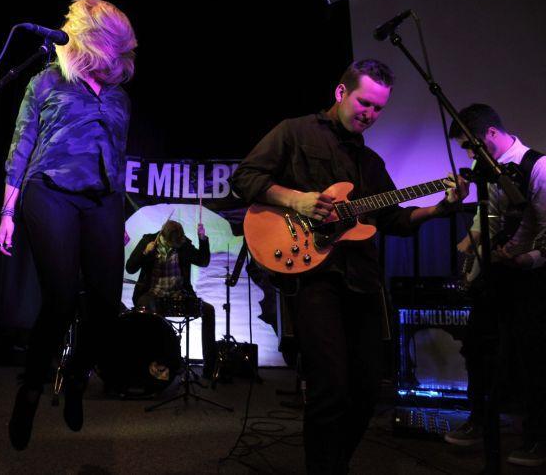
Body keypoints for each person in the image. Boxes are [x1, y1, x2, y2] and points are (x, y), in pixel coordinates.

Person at [230, 59, 467, 474]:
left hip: (362, 280)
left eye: (379, 109)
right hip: (314, 277)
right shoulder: (294, 132)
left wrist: (439, 208)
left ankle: (334, 463)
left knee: (367, 389)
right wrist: (295, 200)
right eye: (365, 103)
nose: (370, 115)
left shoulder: (371, 164)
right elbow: (245, 177)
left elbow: (394, 219)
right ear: (341, 93)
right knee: (330, 386)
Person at [0, 0, 137, 450]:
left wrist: (120, 214)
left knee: (105, 301)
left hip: (102, 199)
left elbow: (117, 155)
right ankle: (32, 388)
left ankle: (76, 376)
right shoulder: (46, 81)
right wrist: (7, 212)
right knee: (58, 298)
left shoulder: (119, 96)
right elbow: (21, 145)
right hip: (48, 190)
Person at [444, 104, 546, 467]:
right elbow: (486, 214)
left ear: (488, 134)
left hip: (531, 278)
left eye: (471, 147)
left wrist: (527, 258)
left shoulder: (538, 167)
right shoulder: (484, 169)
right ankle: (478, 420)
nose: (470, 156)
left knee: (531, 355)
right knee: (476, 346)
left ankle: (537, 437)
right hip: (497, 273)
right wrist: (472, 244)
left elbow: (545, 229)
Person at [125, 220, 217, 378]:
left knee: (208, 310)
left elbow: (203, 261)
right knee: (151, 312)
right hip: (152, 294)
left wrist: (202, 239)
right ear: (164, 236)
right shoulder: (149, 241)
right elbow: (130, 268)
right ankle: (156, 363)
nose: (175, 246)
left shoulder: (183, 244)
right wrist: (145, 253)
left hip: (178, 295)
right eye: (172, 243)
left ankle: (210, 369)